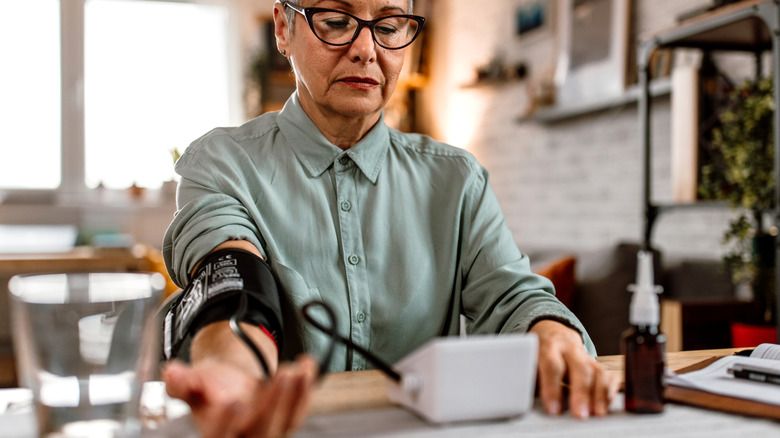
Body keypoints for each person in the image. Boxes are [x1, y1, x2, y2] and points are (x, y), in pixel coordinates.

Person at [161, 0, 619, 437]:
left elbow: (512, 297)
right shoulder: (222, 163)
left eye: (388, 26)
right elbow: (232, 285)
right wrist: (235, 370)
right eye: (336, 21)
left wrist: (551, 332)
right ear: (284, 27)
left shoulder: (457, 180)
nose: (366, 49)